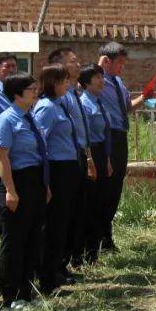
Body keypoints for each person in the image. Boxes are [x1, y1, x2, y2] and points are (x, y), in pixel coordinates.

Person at [0, 72, 51, 310]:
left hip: (35, 181)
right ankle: (11, 296)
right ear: (17, 94)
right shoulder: (6, 120)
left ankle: (26, 291)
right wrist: (10, 190)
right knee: (14, 241)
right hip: (17, 181)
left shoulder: (31, 118)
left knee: (32, 239)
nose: (35, 93)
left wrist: (45, 185)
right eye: (30, 90)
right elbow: (1, 156)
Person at [32, 64, 88, 293]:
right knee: (53, 223)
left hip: (68, 165)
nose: (68, 84)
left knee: (64, 221)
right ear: (53, 83)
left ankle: (56, 268)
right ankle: (47, 273)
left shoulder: (60, 105)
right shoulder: (46, 107)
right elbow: (40, 142)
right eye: (64, 81)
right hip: (56, 168)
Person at [96, 42, 154, 251]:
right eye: (119, 63)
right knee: (103, 187)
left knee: (115, 186)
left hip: (120, 136)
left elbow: (126, 108)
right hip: (104, 136)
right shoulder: (96, 81)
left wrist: (144, 98)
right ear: (106, 61)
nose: (122, 67)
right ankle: (97, 236)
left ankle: (106, 235)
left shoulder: (118, 82)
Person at [51, 48, 93, 271]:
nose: (78, 65)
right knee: (63, 214)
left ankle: (67, 260)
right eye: (73, 61)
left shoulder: (75, 93)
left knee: (76, 210)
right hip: (62, 160)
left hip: (77, 155)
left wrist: (88, 157)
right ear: (60, 65)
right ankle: (57, 264)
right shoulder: (58, 98)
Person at [78, 65, 111, 264]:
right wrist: (90, 160)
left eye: (102, 77)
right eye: (97, 77)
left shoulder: (99, 102)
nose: (102, 81)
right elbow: (85, 136)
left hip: (101, 153)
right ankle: (83, 252)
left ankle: (94, 251)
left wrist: (106, 159)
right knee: (89, 204)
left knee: (100, 203)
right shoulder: (84, 104)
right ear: (86, 83)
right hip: (90, 153)